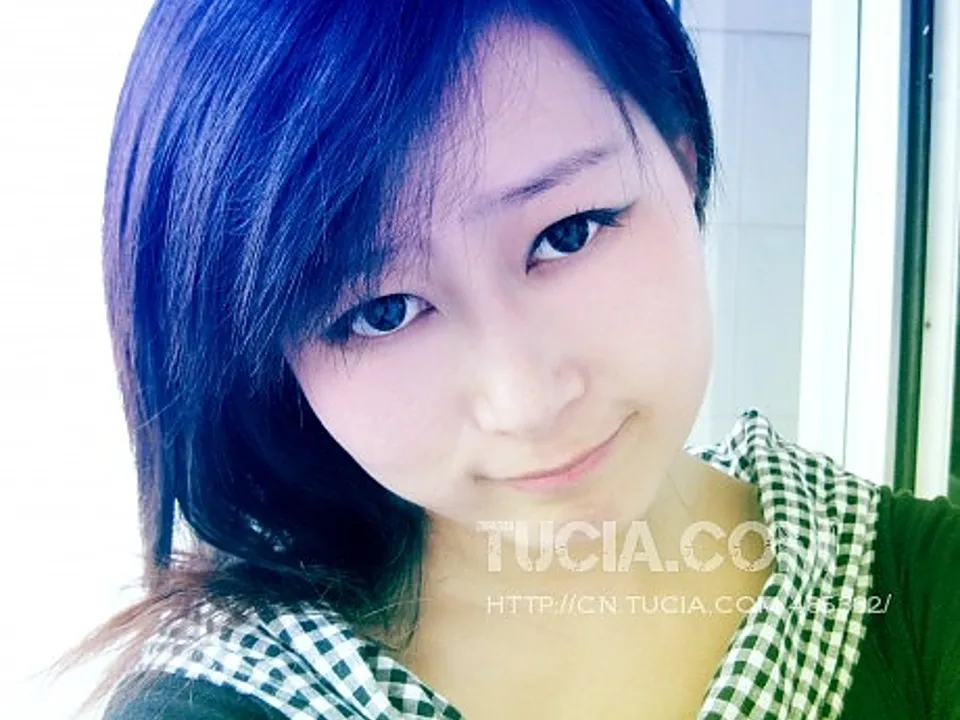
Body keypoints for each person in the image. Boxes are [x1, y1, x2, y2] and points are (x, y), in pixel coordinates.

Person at [53, 0, 959, 717]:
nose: (526, 400)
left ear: (682, 162)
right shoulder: (235, 697)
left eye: (568, 232)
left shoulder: (917, 594)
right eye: (382, 312)